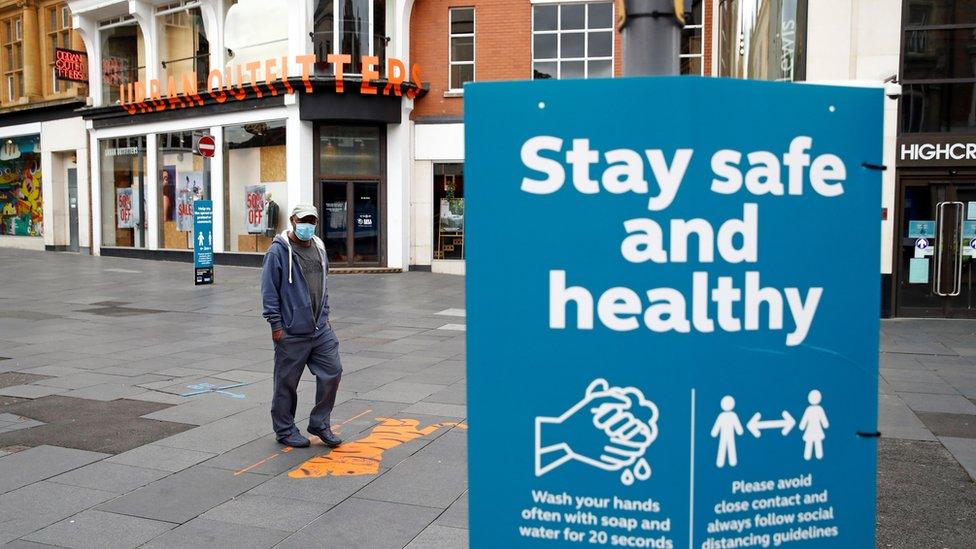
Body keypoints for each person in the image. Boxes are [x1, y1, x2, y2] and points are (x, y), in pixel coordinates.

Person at [261, 204, 343, 448]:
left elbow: (324, 285)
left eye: (312, 220)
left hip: (320, 329)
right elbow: (269, 291)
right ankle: (285, 430)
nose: (307, 225)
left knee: (333, 371)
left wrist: (325, 316)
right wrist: (276, 325)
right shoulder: (278, 251)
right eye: (303, 220)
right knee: (286, 383)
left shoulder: (318, 246)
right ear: (293, 220)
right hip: (291, 330)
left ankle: (320, 422)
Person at [711, 395, 743, 468]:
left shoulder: (731, 415)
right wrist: (714, 432)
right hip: (725, 435)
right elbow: (717, 425)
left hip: (729, 435)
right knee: (725, 446)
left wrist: (714, 433)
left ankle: (730, 462)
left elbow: (737, 426)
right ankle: (724, 462)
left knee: (728, 446)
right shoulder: (723, 415)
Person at [799, 390, 828, 461]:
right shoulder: (817, 409)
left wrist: (802, 426)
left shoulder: (811, 409)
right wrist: (825, 425)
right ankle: (814, 456)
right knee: (814, 442)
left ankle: (815, 456)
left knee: (814, 443)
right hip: (815, 430)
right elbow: (824, 422)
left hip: (812, 430)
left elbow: (804, 420)